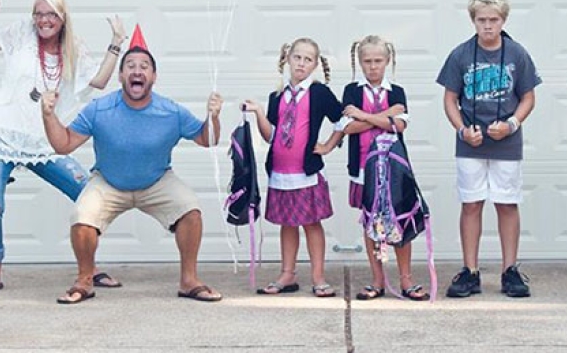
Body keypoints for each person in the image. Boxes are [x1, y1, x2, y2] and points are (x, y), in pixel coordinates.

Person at [41, 28, 224, 304]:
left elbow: (206, 139)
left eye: (144, 66)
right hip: (109, 181)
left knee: (191, 210)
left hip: (157, 180)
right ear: (121, 76)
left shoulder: (171, 111)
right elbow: (63, 144)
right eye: (130, 66)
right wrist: (48, 114)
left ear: (153, 76)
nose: (137, 71)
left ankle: (189, 281)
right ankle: (85, 280)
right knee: (82, 217)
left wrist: (213, 116)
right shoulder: (99, 109)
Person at [0, 0, 125, 294]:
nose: (44, 20)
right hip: (1, 133)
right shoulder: (21, 34)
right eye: (39, 13)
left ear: (62, 18)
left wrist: (116, 44)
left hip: (43, 138)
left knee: (88, 193)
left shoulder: (74, 49)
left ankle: (89, 267)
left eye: (50, 14)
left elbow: (97, 81)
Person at [436, 0, 541, 298]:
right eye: (481, 20)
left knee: (507, 204)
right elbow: (450, 99)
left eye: (493, 19)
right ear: (473, 20)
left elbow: (528, 96)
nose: (488, 26)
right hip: (471, 143)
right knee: (471, 204)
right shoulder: (461, 55)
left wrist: (512, 124)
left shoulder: (517, 53)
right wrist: (461, 130)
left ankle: (510, 270)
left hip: (506, 144)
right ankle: (470, 271)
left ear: (503, 19)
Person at [242, 38, 343, 298]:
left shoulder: (319, 93)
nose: (301, 63)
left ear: (315, 65)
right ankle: (287, 274)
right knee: (287, 224)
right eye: (297, 57)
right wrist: (259, 113)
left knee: (311, 223)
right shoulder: (277, 96)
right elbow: (271, 135)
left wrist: (330, 144)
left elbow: (344, 118)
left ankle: (318, 276)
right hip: (281, 172)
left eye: (308, 59)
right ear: (288, 59)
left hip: (306, 172)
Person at [339, 35, 429, 301]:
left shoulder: (397, 91)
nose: (373, 66)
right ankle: (377, 279)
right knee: (370, 222)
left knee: (399, 219)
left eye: (378, 61)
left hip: (393, 167)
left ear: (387, 61)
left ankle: (406, 279)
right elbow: (348, 127)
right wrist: (385, 116)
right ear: (360, 62)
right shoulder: (351, 91)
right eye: (367, 61)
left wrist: (364, 115)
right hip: (363, 166)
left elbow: (399, 126)